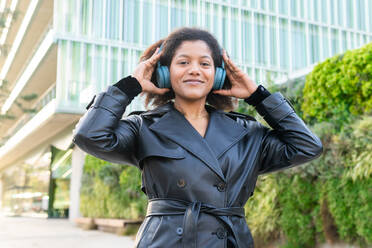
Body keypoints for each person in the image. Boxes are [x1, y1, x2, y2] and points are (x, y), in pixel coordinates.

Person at [73, 27, 323, 248]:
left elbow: (307, 146)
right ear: (164, 73)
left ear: (218, 75)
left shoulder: (248, 132)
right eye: (183, 62)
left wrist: (258, 96)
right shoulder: (143, 127)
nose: (194, 70)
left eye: (205, 64)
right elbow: (89, 136)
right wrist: (129, 86)